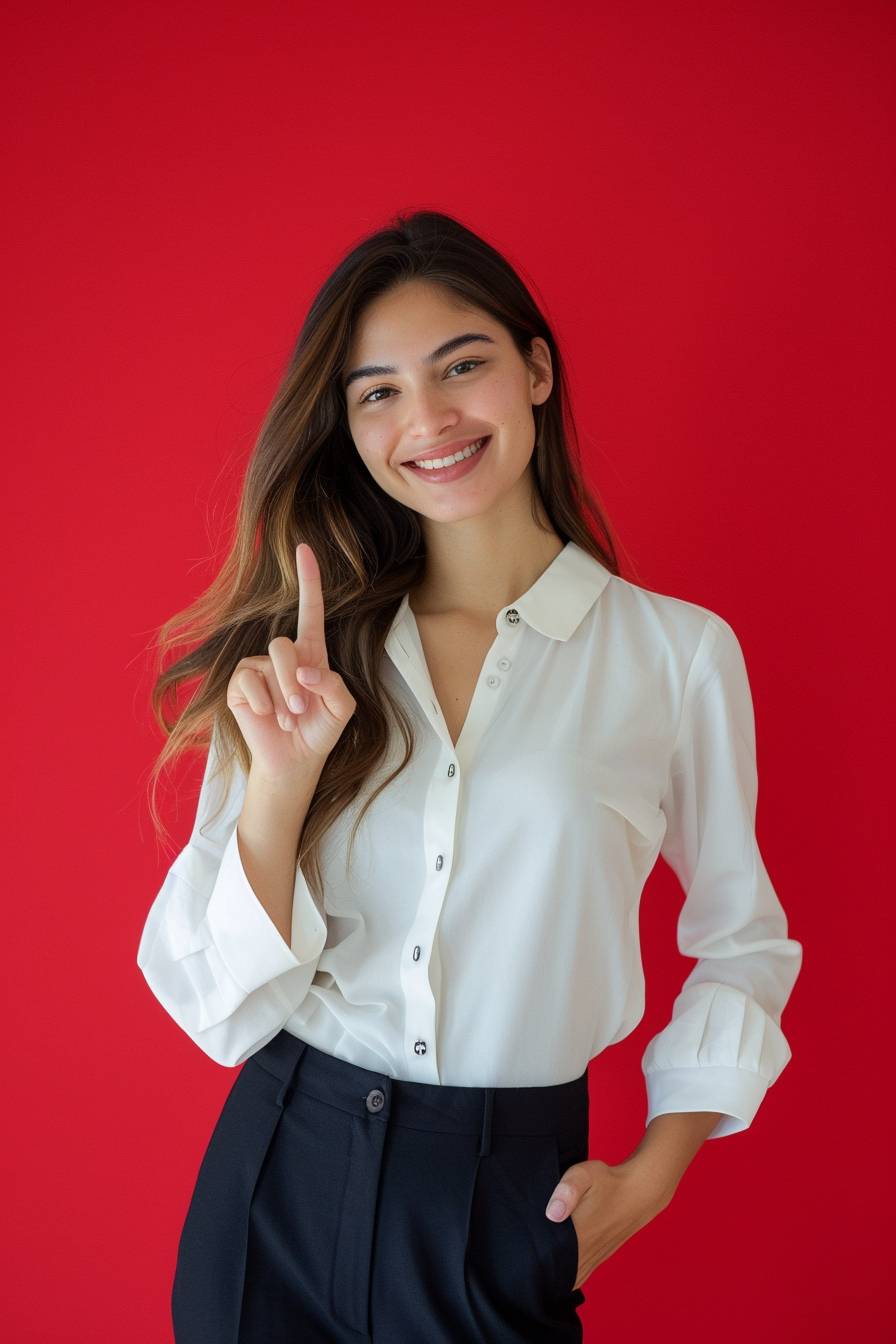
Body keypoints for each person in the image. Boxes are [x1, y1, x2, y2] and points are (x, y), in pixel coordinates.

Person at [136, 209, 803, 1343]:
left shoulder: (675, 656)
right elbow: (213, 1006)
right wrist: (281, 780)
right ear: (345, 427)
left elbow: (740, 938)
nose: (428, 419)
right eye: (377, 392)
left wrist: (653, 1173)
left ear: (535, 369)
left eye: (461, 366)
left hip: (502, 1194)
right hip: (277, 1175)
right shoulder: (305, 656)